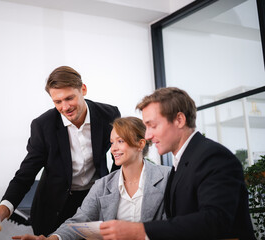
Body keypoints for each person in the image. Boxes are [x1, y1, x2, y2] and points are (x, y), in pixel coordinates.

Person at [99, 87, 256, 240]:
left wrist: (140, 230)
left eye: (152, 125)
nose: (147, 135)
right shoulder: (181, 162)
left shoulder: (214, 157)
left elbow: (215, 220)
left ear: (179, 120)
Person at [0, 66, 121, 236]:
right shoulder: (43, 126)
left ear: (83, 89)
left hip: (93, 201)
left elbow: (120, 157)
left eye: (69, 98)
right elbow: (25, 174)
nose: (65, 107)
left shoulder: (108, 114)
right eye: (58, 102)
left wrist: (115, 192)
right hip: (53, 209)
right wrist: (2, 211)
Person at [12, 116, 171, 240]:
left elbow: (175, 226)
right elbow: (78, 222)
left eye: (120, 141)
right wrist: (52, 238)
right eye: (112, 142)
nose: (113, 148)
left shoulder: (166, 177)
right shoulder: (103, 185)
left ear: (140, 144)